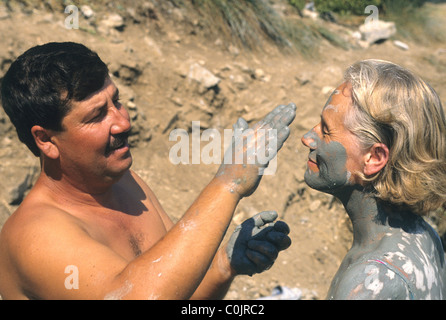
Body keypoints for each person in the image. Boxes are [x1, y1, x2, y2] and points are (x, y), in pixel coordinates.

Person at [0, 42, 296, 300]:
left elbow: (173, 291)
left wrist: (222, 266)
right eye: (97, 115)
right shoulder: (34, 236)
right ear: (46, 140)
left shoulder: (125, 183)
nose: (122, 122)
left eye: (116, 101)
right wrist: (228, 183)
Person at [301, 59, 446, 300]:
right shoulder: (423, 234)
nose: (307, 138)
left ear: (374, 158)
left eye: (326, 130)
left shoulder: (371, 283)